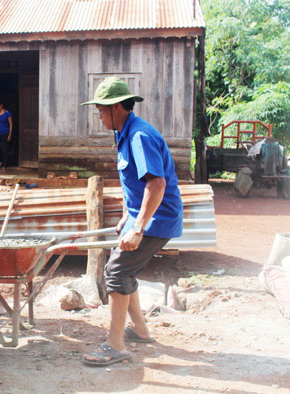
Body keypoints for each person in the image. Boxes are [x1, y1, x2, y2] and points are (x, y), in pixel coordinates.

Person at [80, 77, 183, 366]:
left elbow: (157, 184)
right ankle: (139, 329)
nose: (99, 116)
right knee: (123, 269)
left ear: (116, 108)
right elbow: (134, 182)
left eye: (101, 110)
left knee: (115, 272)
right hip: (142, 215)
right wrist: (128, 214)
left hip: (157, 219)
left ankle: (116, 345)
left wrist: (138, 228)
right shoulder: (124, 132)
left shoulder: (140, 136)